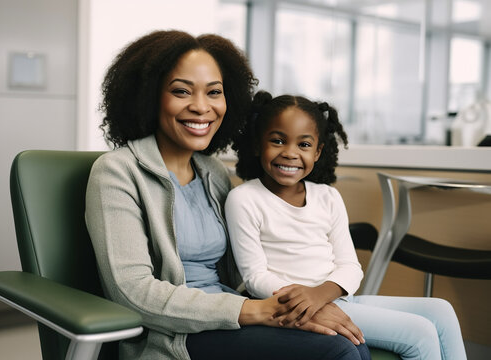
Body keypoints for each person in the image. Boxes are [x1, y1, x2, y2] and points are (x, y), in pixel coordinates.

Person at [85, 30, 371, 360]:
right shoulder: (117, 172)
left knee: (354, 345)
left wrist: (303, 304)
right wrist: (261, 311)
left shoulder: (213, 173)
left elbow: (244, 269)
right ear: (149, 96)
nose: (201, 107)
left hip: (234, 312)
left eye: (214, 93)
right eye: (181, 91)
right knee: (337, 351)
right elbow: (132, 292)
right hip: (172, 334)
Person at [225, 90, 468, 360]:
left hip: (335, 298)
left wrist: (320, 295)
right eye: (278, 141)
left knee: (441, 310)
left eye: (303, 145)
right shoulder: (244, 199)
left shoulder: (328, 197)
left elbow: (350, 266)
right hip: (293, 306)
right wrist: (309, 302)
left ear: (318, 152)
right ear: (258, 145)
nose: (290, 153)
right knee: (420, 332)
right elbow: (255, 277)